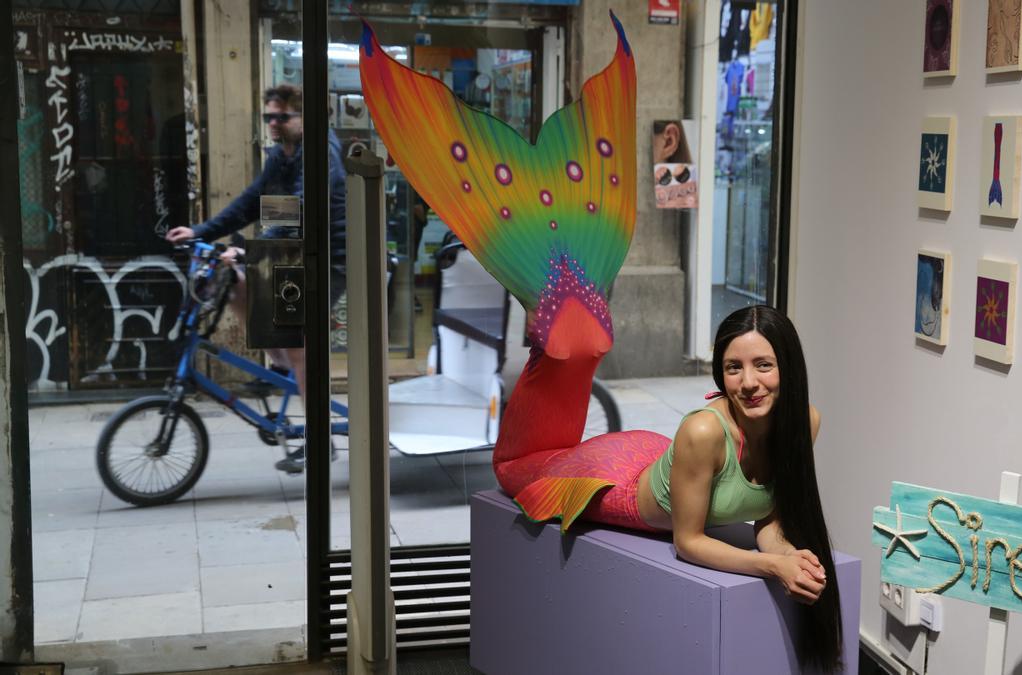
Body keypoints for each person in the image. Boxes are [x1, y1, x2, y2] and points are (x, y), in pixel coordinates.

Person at [358, 14, 842, 670]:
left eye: (763, 365)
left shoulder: (801, 421)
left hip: (650, 458)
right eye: (733, 367)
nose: (748, 381)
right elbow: (689, 542)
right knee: (528, 465)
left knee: (579, 346)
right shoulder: (706, 432)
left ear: (791, 369)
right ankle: (560, 327)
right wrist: (768, 563)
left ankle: (570, 317)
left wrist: (783, 547)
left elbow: (770, 513)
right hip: (623, 482)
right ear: (718, 373)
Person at [165, 84, 347, 474]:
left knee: (301, 346)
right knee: (233, 283)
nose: (274, 123)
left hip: (331, 259)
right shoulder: (284, 155)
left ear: (306, 119)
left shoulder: (320, 155)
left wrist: (250, 250)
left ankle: (321, 441)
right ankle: (278, 366)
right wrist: (201, 232)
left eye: (283, 117)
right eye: (270, 117)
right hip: (298, 253)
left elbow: (300, 211)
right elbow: (251, 203)